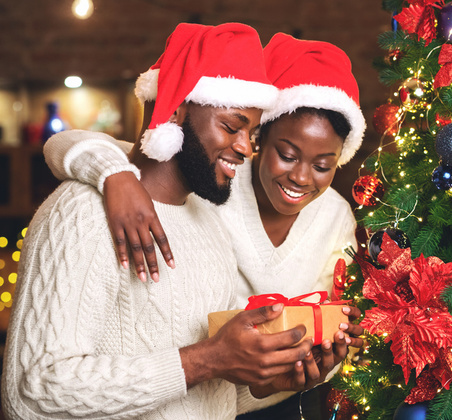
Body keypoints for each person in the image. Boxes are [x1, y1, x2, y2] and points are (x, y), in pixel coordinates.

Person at [2, 23, 347, 420]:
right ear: (177, 110)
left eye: (250, 133)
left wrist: (271, 381)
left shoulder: (209, 223)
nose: (243, 148)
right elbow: (31, 394)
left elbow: (208, 395)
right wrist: (204, 361)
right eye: (232, 127)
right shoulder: (82, 212)